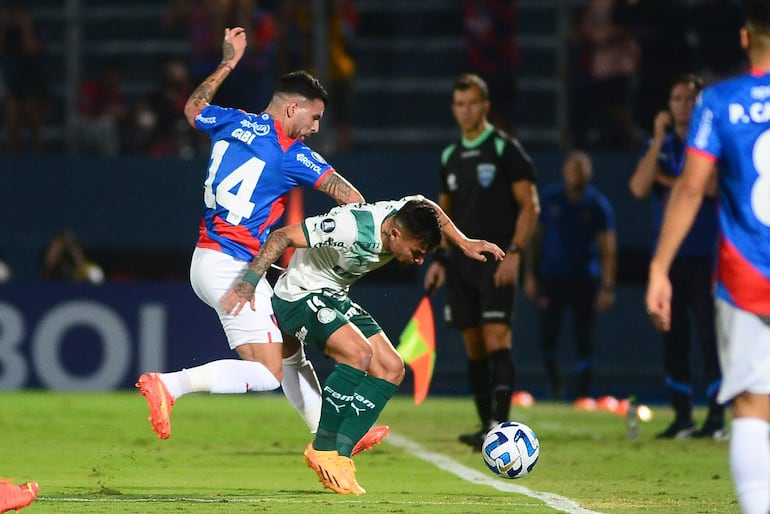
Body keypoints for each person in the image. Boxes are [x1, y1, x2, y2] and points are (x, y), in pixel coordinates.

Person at [135, 27, 373, 447]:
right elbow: (354, 198)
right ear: (292, 109)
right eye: (314, 117)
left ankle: (330, 439)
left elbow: (193, 108)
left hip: (207, 259)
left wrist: (228, 60)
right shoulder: (292, 154)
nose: (316, 127)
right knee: (267, 374)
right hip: (232, 266)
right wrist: (330, 247)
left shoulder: (232, 120)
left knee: (288, 348)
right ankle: (170, 385)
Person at [220, 196, 505, 494]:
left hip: (335, 296)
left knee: (392, 368)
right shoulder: (349, 228)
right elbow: (283, 236)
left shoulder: (406, 213)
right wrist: (249, 282)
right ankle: (324, 449)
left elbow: (427, 205)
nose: (419, 260)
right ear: (395, 233)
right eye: (417, 251)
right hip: (298, 296)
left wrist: (464, 242)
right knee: (358, 354)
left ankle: (341, 454)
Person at [646, 2, 770, 512]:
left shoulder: (719, 102)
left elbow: (693, 188)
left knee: (751, 407)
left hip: (747, 276)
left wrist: (658, 267)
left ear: (745, 37)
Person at [422, 73, 540, 450]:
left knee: (496, 339)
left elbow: (530, 206)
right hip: (459, 265)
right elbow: (445, 213)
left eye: (472, 103)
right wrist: (439, 260)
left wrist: (516, 254)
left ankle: (500, 426)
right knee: (473, 344)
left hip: (496, 260)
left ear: (485, 106)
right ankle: (485, 424)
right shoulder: (449, 156)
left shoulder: (505, 150)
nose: (465, 110)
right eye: (459, 104)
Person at [631, 74, 725, 440]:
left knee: (709, 336)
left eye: (690, 98)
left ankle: (717, 417)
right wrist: (656, 139)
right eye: (677, 98)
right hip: (670, 258)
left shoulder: (711, 143)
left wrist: (669, 182)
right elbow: (639, 186)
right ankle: (683, 416)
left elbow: (710, 186)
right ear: (668, 106)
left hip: (706, 253)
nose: (684, 104)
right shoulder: (662, 145)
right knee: (673, 337)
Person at [523, 150, 616, 404]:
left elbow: (608, 248)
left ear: (589, 173)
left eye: (581, 169)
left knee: (584, 336)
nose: (576, 174)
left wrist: (607, 287)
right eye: (572, 169)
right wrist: (529, 275)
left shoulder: (597, 205)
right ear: (564, 171)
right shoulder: (551, 199)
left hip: (585, 279)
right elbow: (534, 240)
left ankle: (582, 393)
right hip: (552, 277)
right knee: (548, 334)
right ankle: (554, 386)